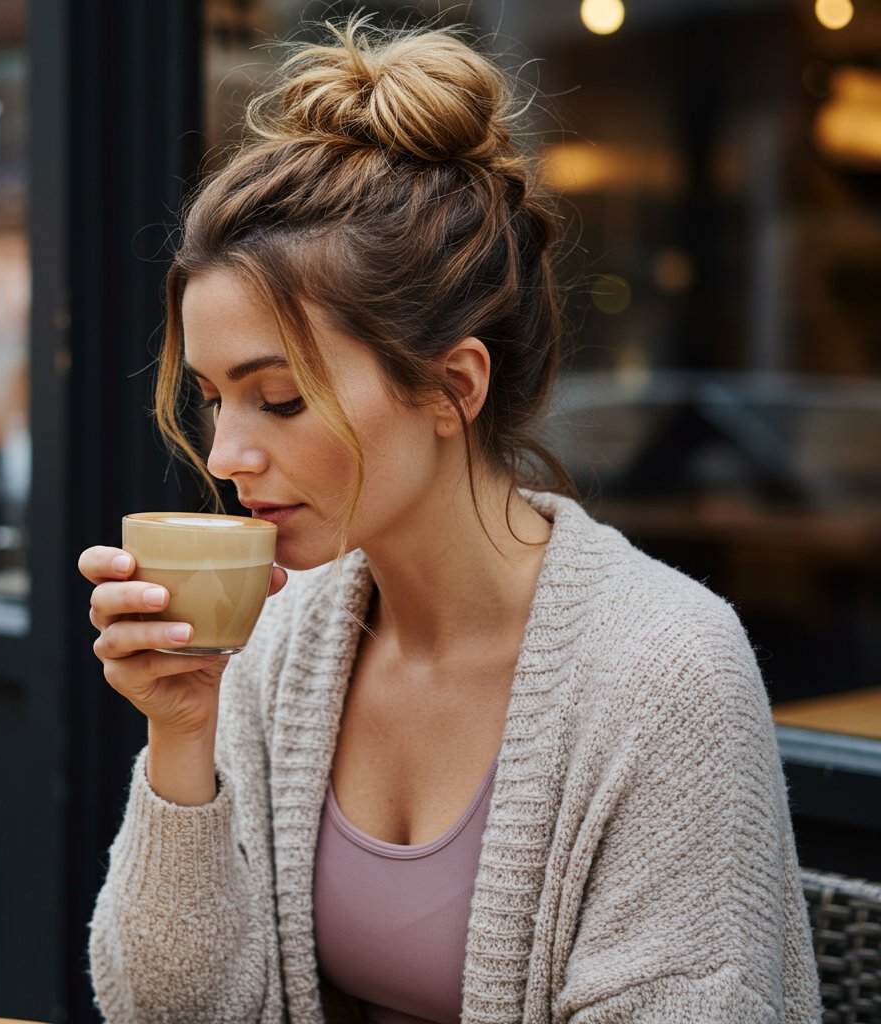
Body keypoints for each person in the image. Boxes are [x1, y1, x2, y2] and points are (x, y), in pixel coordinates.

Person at [80, 17, 822, 1024]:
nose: (223, 458)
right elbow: (166, 1012)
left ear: (451, 386)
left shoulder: (664, 669)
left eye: (281, 398)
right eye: (214, 399)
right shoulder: (279, 642)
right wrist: (180, 734)